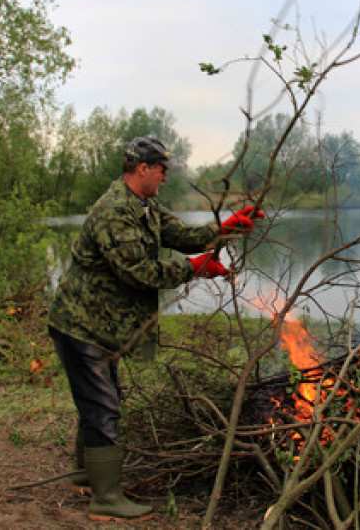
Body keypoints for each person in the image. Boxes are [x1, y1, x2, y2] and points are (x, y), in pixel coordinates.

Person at [47, 135, 262, 522]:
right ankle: (106, 501)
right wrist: (194, 268)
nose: (165, 176)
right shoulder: (115, 210)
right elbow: (139, 272)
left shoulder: (145, 207)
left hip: (99, 325)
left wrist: (226, 228)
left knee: (101, 400)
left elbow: (183, 236)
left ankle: (86, 477)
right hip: (81, 324)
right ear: (142, 168)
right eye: (162, 169)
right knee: (102, 404)